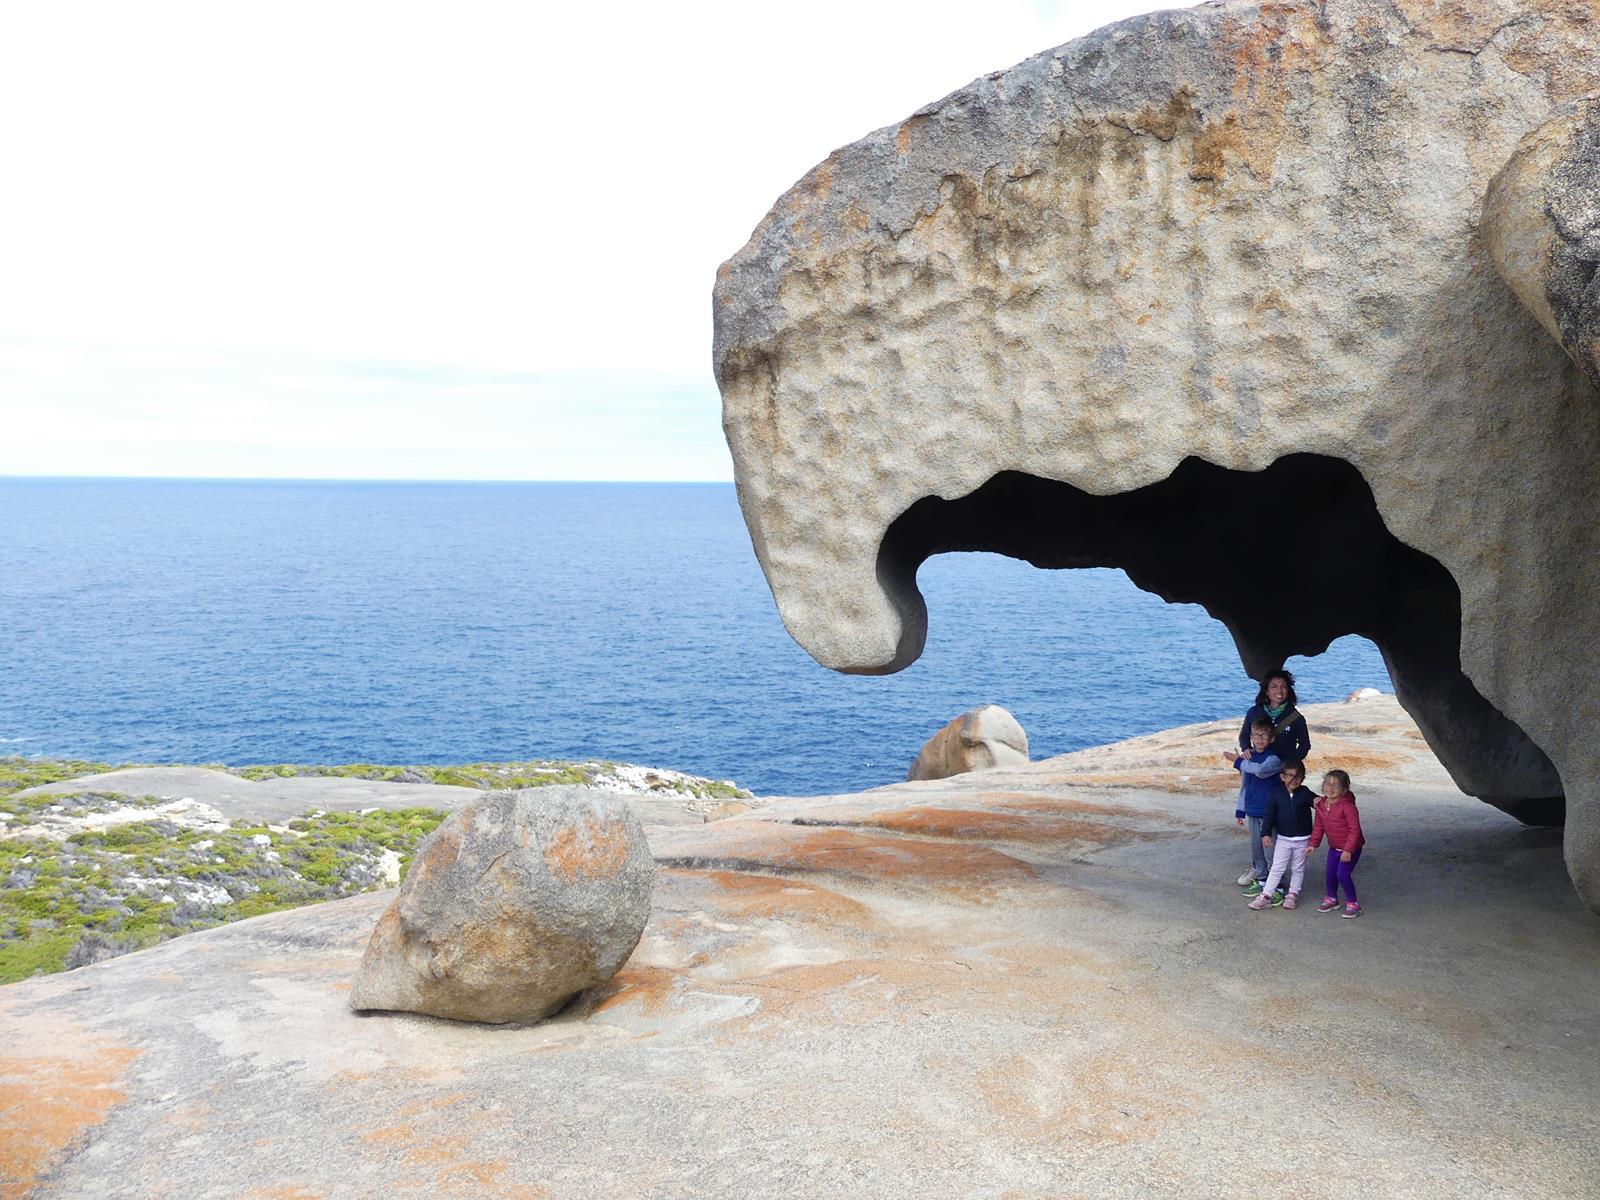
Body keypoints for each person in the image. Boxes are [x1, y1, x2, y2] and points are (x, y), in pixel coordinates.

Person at [1247, 759, 1318, 910]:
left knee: (1298, 868)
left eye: (1298, 776)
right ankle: (1266, 895)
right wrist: (1265, 833)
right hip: (1283, 838)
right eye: (1290, 775)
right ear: (1282, 776)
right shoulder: (1276, 793)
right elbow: (1269, 814)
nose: (1294, 779)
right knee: (1277, 867)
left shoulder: (1305, 792)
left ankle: (1292, 895)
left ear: (1303, 778)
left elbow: (1315, 801)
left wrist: (1319, 800)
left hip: (1303, 839)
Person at [1221, 718, 1282, 894]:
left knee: (1270, 848)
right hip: (1253, 811)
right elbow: (1245, 785)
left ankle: (1276, 883)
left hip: (1270, 813)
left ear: (1271, 738)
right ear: (1251, 737)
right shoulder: (1249, 758)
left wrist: (1237, 761)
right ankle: (1262, 880)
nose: (1260, 738)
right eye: (1256, 735)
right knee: (1256, 847)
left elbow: (1260, 771)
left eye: (1264, 735)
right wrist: (1240, 810)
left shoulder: (1273, 759)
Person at [1309, 769, 1365, 917]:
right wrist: (1313, 844)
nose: (1330, 788)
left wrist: (1348, 850)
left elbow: (1355, 830)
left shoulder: (1348, 807)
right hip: (1334, 847)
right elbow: (1318, 826)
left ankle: (1354, 904)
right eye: (1327, 784)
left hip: (1351, 848)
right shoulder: (1321, 805)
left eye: (1336, 786)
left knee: (1343, 874)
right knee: (1330, 874)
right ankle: (1332, 898)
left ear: (1345, 789)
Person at [1239, 668, 1311, 767]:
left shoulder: (1295, 718)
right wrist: (1246, 749)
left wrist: (1289, 763)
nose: (1279, 691)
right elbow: (1244, 735)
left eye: (1283, 687)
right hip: (1258, 765)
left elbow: (1305, 745)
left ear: (1288, 690)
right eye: (1274, 686)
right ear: (1266, 691)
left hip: (1281, 770)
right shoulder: (1254, 712)